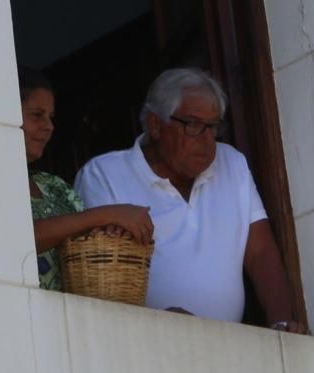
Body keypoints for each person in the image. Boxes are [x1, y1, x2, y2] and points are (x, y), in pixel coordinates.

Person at [75, 67, 305, 329]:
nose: (208, 141)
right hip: (144, 345)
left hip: (233, 347)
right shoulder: (104, 174)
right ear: (155, 125)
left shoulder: (232, 163)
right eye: (193, 125)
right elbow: (102, 277)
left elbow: (260, 252)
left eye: (213, 126)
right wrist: (155, 321)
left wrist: (283, 324)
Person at [18, 68, 153, 290]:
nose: (49, 126)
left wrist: (113, 230)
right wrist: (110, 214)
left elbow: (88, 244)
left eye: (50, 117)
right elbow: (20, 238)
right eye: (36, 115)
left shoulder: (55, 187)